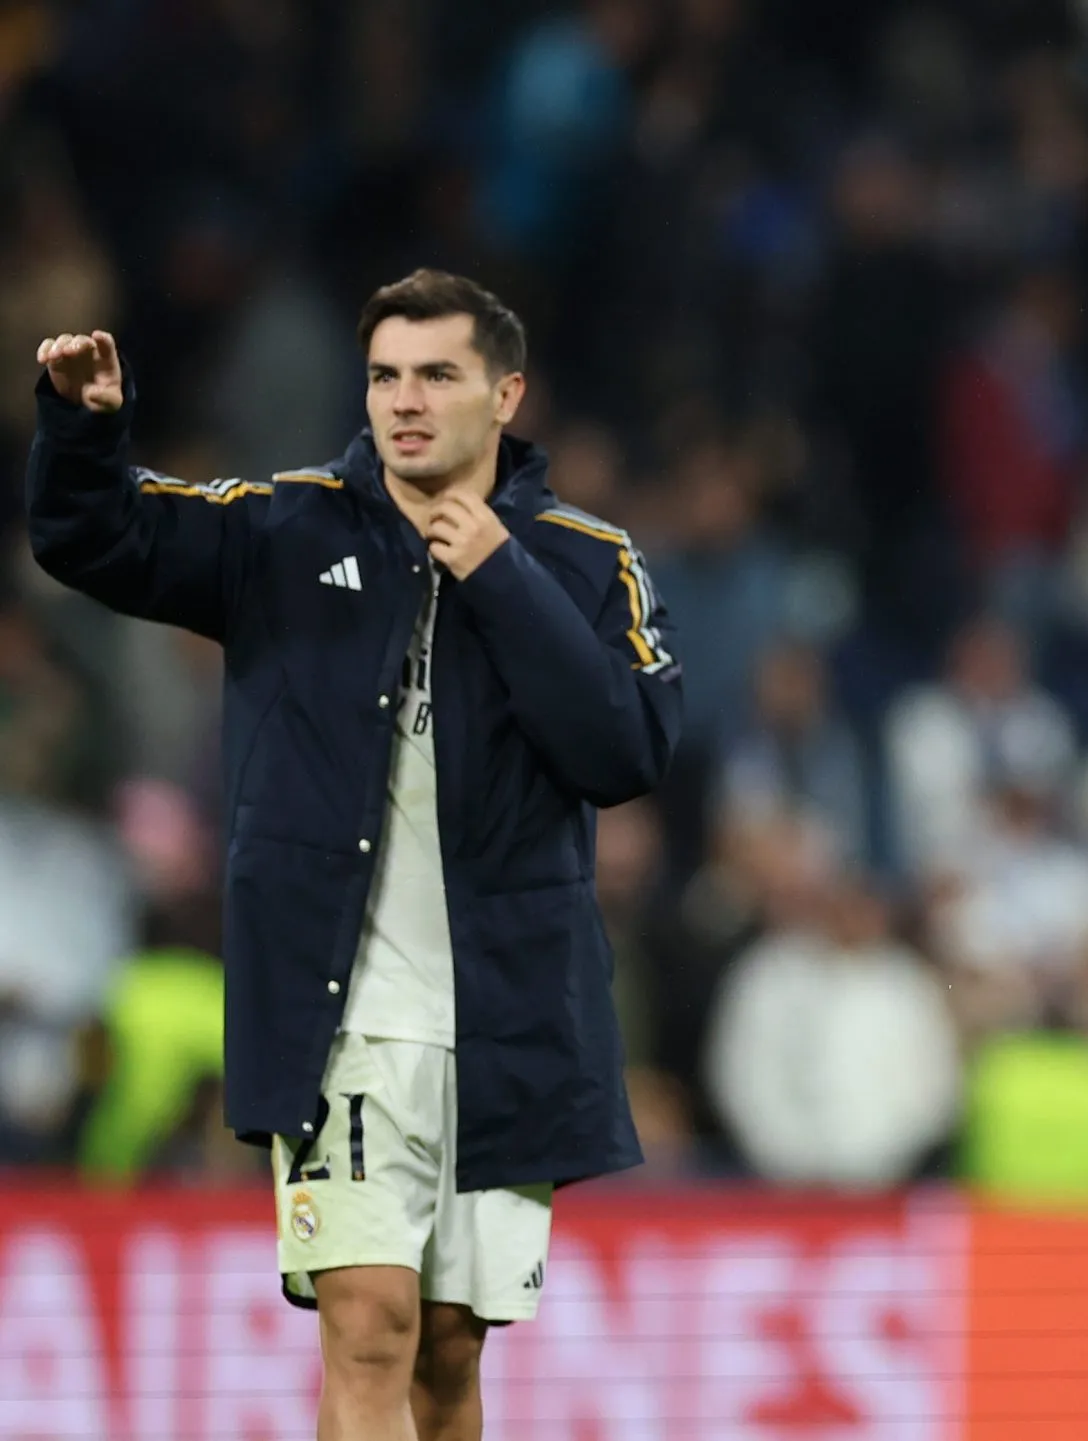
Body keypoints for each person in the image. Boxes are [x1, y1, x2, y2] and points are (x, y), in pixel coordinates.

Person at [27, 269, 682, 1441]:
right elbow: (104, 536)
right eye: (385, 374)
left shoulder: (586, 561)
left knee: (445, 1354)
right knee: (369, 1319)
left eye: (438, 374)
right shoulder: (286, 527)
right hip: (345, 1011)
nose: (404, 400)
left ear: (506, 392)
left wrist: (496, 570)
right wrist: (86, 433)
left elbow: (624, 748)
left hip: (505, 1014)